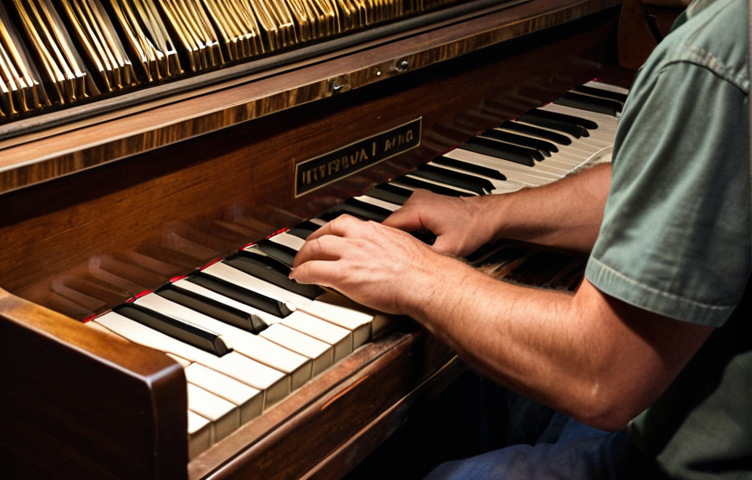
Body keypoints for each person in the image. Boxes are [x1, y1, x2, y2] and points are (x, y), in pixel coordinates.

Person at [291, 0, 751, 477]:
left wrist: (419, 276)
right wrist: (488, 211)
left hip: (680, 449)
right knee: (466, 390)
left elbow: (602, 377)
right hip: (690, 383)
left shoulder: (719, 46)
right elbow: (669, 186)